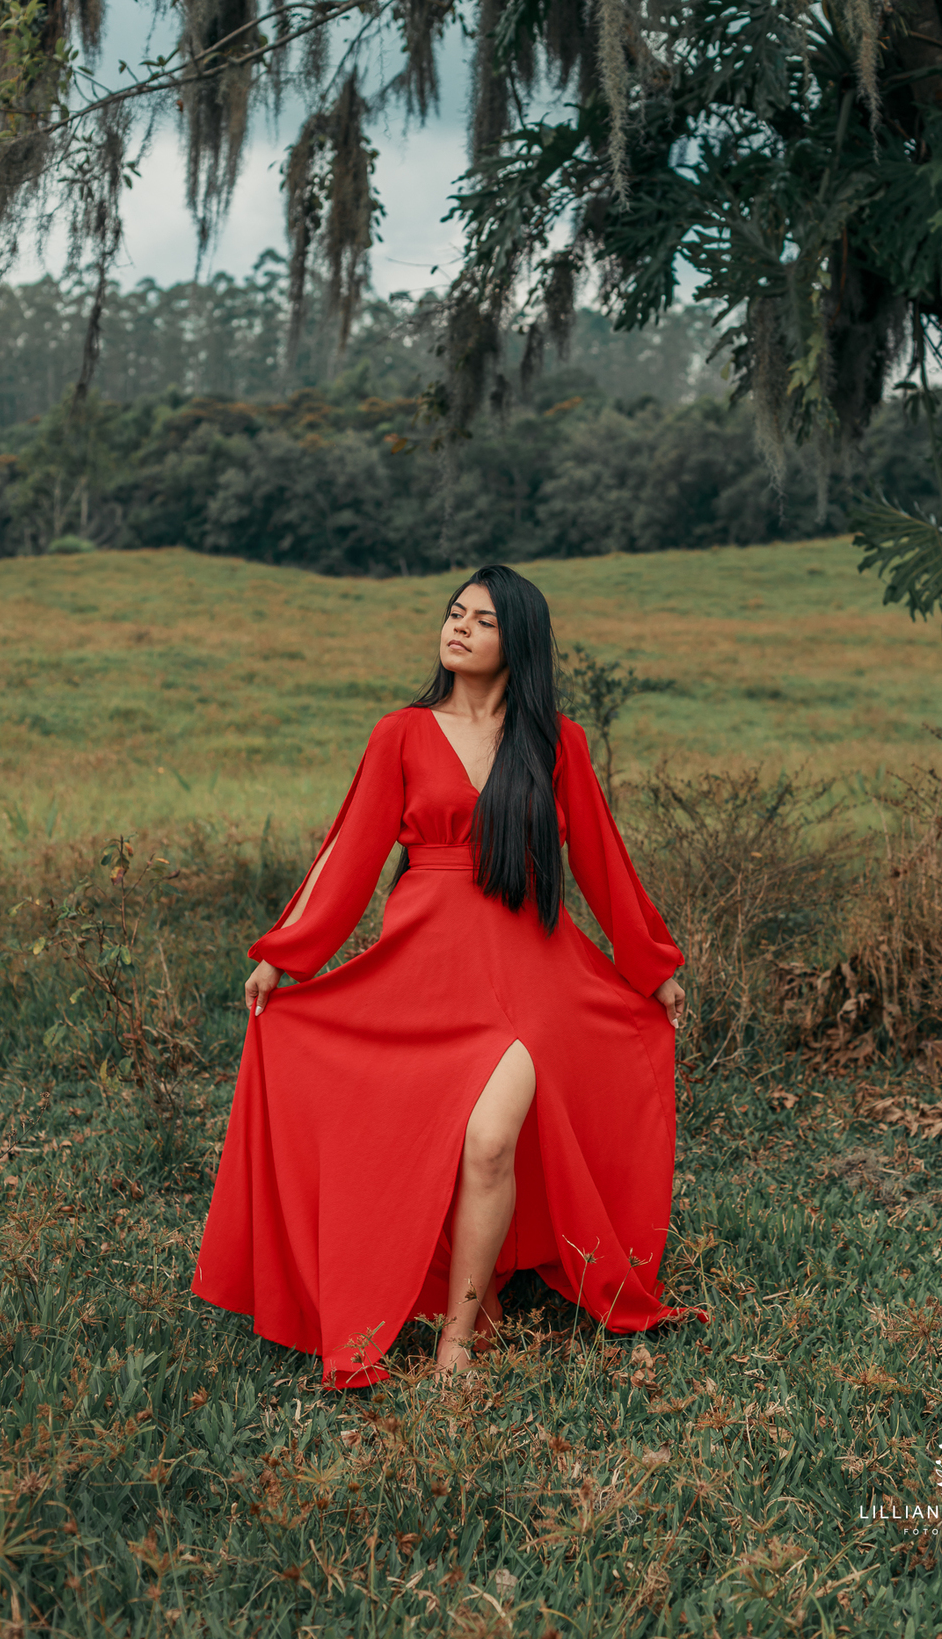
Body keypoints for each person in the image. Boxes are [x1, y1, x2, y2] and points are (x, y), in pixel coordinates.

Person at [192, 564, 689, 1384]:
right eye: (454, 613)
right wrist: (287, 954)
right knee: (419, 1134)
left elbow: (603, 862)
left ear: (517, 640)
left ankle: (460, 1340)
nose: (457, 628)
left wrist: (650, 966)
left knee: (490, 1143)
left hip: (538, 972)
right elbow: (348, 855)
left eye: (481, 620)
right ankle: (475, 1292)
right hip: (425, 969)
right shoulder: (401, 733)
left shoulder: (557, 742)